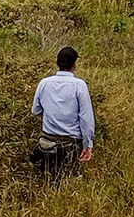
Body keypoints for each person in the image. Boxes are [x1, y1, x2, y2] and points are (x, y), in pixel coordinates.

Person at [30, 47, 95, 181]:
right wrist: (87, 145)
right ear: (74, 65)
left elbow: (35, 110)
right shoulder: (79, 86)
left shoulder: (44, 83)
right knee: (70, 183)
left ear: (57, 63)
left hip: (46, 142)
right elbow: (86, 119)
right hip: (69, 144)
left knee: (47, 182)